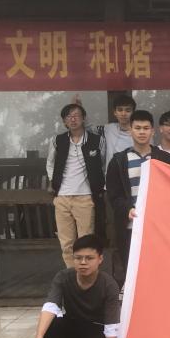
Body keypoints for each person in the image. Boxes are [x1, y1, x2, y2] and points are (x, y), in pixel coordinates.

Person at [34, 234, 120, 338]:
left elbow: (112, 328)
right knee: (52, 325)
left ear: (100, 259)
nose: (83, 262)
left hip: (97, 330)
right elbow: (50, 306)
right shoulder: (63, 277)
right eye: (78, 258)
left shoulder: (109, 285)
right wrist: (39, 335)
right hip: (74, 325)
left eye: (89, 258)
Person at [105, 110, 170, 279]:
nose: (142, 132)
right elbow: (114, 195)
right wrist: (127, 209)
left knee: (159, 270)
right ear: (130, 130)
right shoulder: (118, 160)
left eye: (146, 128)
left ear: (153, 131)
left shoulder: (164, 158)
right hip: (130, 226)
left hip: (158, 225)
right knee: (132, 270)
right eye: (137, 128)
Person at [46, 103, 106, 268]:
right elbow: (50, 163)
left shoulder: (97, 140)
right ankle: (72, 275)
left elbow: (102, 165)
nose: (73, 119)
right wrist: (53, 181)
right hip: (62, 197)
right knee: (66, 243)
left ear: (83, 118)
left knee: (86, 241)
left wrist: (100, 185)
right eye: (68, 116)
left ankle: (87, 274)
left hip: (85, 197)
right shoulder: (57, 140)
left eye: (76, 115)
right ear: (64, 121)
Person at [99, 94, 136, 164]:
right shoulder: (108, 129)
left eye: (128, 110)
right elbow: (89, 129)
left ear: (133, 113)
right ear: (115, 112)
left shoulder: (140, 133)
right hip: (111, 170)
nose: (123, 114)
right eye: (120, 110)